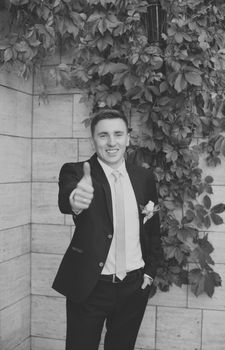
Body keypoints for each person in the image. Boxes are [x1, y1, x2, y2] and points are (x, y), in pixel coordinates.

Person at [52, 109, 163, 350]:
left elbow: (153, 229)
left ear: (128, 138)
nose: (111, 142)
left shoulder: (144, 177)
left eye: (118, 134)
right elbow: (67, 195)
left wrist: (149, 272)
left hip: (134, 286)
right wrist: (75, 199)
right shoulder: (76, 171)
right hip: (91, 286)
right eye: (103, 135)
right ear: (93, 139)